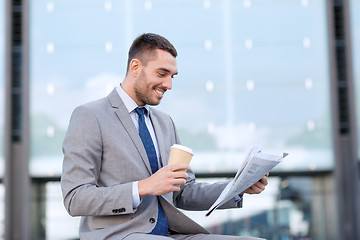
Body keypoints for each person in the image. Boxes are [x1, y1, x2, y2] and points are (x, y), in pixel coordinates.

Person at [61, 33, 269, 240]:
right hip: (118, 235)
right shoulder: (90, 116)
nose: (169, 84)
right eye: (162, 73)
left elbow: (183, 192)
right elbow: (75, 198)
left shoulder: (164, 122)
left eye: (172, 76)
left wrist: (238, 188)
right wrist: (143, 187)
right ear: (135, 67)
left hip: (170, 234)